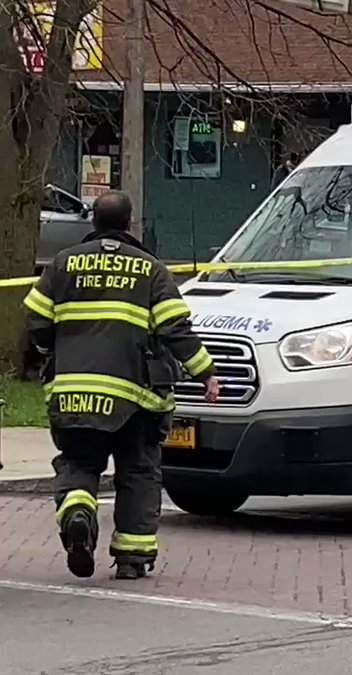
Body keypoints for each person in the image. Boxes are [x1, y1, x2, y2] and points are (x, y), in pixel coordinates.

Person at [22, 191, 220, 581]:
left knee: (79, 463)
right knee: (138, 472)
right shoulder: (151, 269)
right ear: (130, 222)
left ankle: (78, 512)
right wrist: (206, 373)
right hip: (135, 398)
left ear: (93, 221)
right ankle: (132, 558)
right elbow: (175, 329)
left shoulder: (61, 265)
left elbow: (35, 322)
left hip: (73, 394)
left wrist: (52, 351)